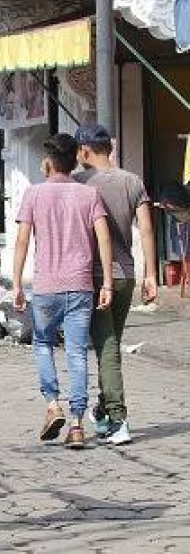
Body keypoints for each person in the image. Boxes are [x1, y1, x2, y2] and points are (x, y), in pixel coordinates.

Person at [12, 133, 114, 449]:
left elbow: (22, 241)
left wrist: (16, 283)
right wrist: (107, 282)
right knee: (76, 352)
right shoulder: (88, 194)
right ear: (74, 161)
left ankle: (53, 404)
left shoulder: (33, 194)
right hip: (81, 284)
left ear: (48, 162)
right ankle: (77, 424)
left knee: (43, 343)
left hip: (46, 287)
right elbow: (104, 239)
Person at [74, 124, 158, 445]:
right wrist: (151, 274)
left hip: (97, 277)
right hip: (127, 276)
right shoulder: (132, 181)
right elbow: (147, 230)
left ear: (84, 150)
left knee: (107, 348)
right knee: (109, 346)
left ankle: (119, 419)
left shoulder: (80, 182)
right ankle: (105, 410)